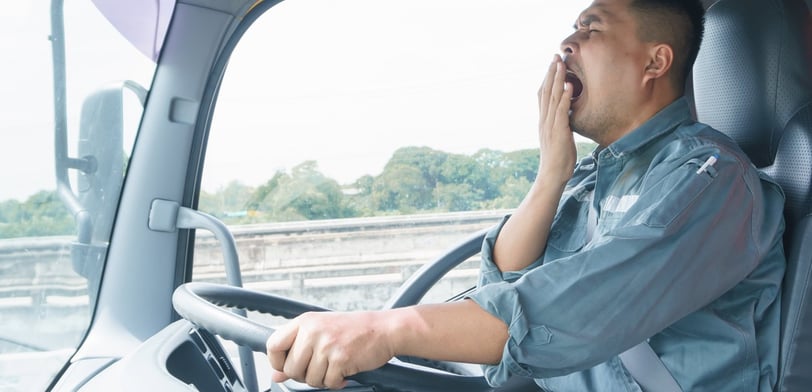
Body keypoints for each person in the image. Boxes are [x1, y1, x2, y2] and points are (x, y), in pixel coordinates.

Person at [266, 0, 787, 390]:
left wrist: (385, 328)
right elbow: (506, 279)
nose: (567, 43)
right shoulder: (592, 177)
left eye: (591, 28)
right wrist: (551, 174)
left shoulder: (711, 181)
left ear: (654, 63)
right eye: (572, 27)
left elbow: (566, 310)